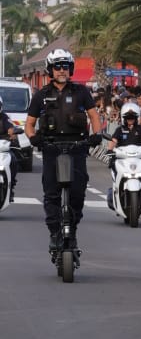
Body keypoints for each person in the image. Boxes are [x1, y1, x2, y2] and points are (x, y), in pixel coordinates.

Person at [24, 48, 104, 263]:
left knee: (77, 194)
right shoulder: (40, 95)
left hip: (77, 148)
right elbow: (29, 125)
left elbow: (94, 117)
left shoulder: (81, 92)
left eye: (65, 66)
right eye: (58, 66)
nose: (62, 70)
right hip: (51, 150)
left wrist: (97, 135)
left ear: (70, 69)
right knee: (52, 195)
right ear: (51, 69)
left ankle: (72, 231)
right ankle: (54, 234)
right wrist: (33, 138)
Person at [0, 97, 22, 200]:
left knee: (13, 160)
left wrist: (13, 132)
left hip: (2, 148)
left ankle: (11, 185)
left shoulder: (4, 117)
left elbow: (10, 128)